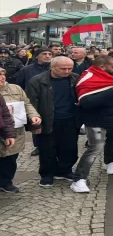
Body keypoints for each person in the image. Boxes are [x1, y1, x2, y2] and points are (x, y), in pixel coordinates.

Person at [71, 55, 113, 193]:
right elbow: (86, 102)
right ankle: (79, 179)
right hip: (95, 119)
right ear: (102, 67)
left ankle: (110, 162)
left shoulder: (109, 76)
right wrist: (111, 90)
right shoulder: (89, 78)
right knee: (95, 148)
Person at [25, 56, 79, 187]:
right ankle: (47, 174)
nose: (67, 71)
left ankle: (65, 170)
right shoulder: (38, 81)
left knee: (69, 148)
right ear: (52, 67)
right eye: (63, 68)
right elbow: (30, 103)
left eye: (69, 68)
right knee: (47, 149)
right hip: (47, 120)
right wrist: (34, 124)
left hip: (70, 120)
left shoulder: (75, 78)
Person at [0, 69, 39, 193]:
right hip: (2, 130)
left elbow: (26, 103)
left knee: (11, 158)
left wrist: (33, 115)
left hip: (15, 130)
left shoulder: (16, 89)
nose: (1, 77)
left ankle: (6, 182)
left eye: (2, 74)